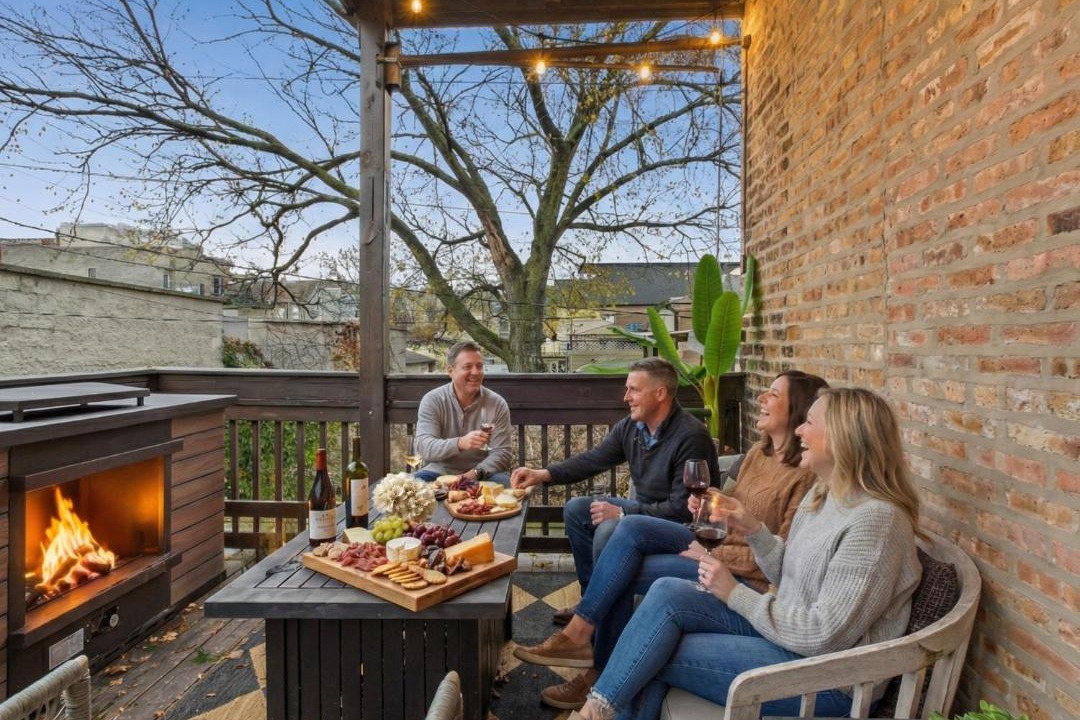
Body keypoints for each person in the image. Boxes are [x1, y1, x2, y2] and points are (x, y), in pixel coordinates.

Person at [570, 387, 923, 720]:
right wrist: (753, 528)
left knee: (656, 648)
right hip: (788, 636)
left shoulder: (877, 521)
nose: (800, 429)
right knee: (667, 592)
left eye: (810, 422)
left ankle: (596, 709)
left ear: (845, 438)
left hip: (827, 676)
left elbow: (824, 635)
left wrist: (734, 593)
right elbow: (787, 574)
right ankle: (599, 706)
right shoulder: (826, 494)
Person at [514, 370, 828, 711]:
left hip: (727, 562)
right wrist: (710, 501)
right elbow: (732, 504)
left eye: (773, 394)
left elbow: (777, 554)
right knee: (597, 518)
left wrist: (717, 553)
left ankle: (590, 654)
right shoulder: (757, 453)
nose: (762, 399)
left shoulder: (801, 474)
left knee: (621, 533)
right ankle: (587, 627)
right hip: (709, 542)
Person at [510, 358, 719, 618]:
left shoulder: (690, 436)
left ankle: (598, 616)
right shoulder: (633, 428)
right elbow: (593, 459)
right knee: (577, 509)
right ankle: (591, 600)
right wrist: (543, 474)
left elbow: (682, 510)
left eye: (634, 389)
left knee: (608, 527)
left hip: (677, 527)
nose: (626, 397)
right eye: (627, 389)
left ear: (660, 393)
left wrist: (622, 515)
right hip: (644, 514)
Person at [413, 341, 512, 484]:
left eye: (479, 366)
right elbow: (424, 446)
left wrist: (473, 474)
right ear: (450, 371)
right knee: (410, 488)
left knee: (508, 486)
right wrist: (459, 443)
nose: (476, 372)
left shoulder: (496, 403)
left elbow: (502, 453)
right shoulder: (432, 400)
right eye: (467, 367)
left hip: (482, 474)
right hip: (438, 472)